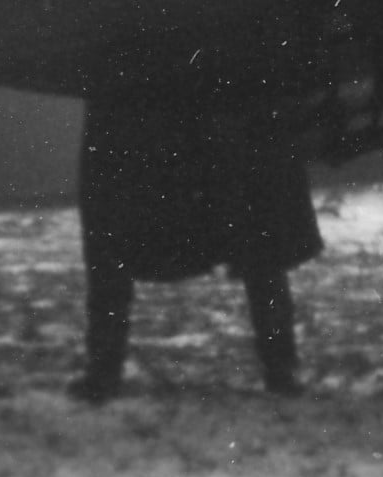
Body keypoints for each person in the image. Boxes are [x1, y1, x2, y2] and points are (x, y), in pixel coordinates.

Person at [72, 76, 321, 399]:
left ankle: (281, 367)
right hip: (159, 105)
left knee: (259, 233)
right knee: (112, 230)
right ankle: (103, 369)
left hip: (212, 102)